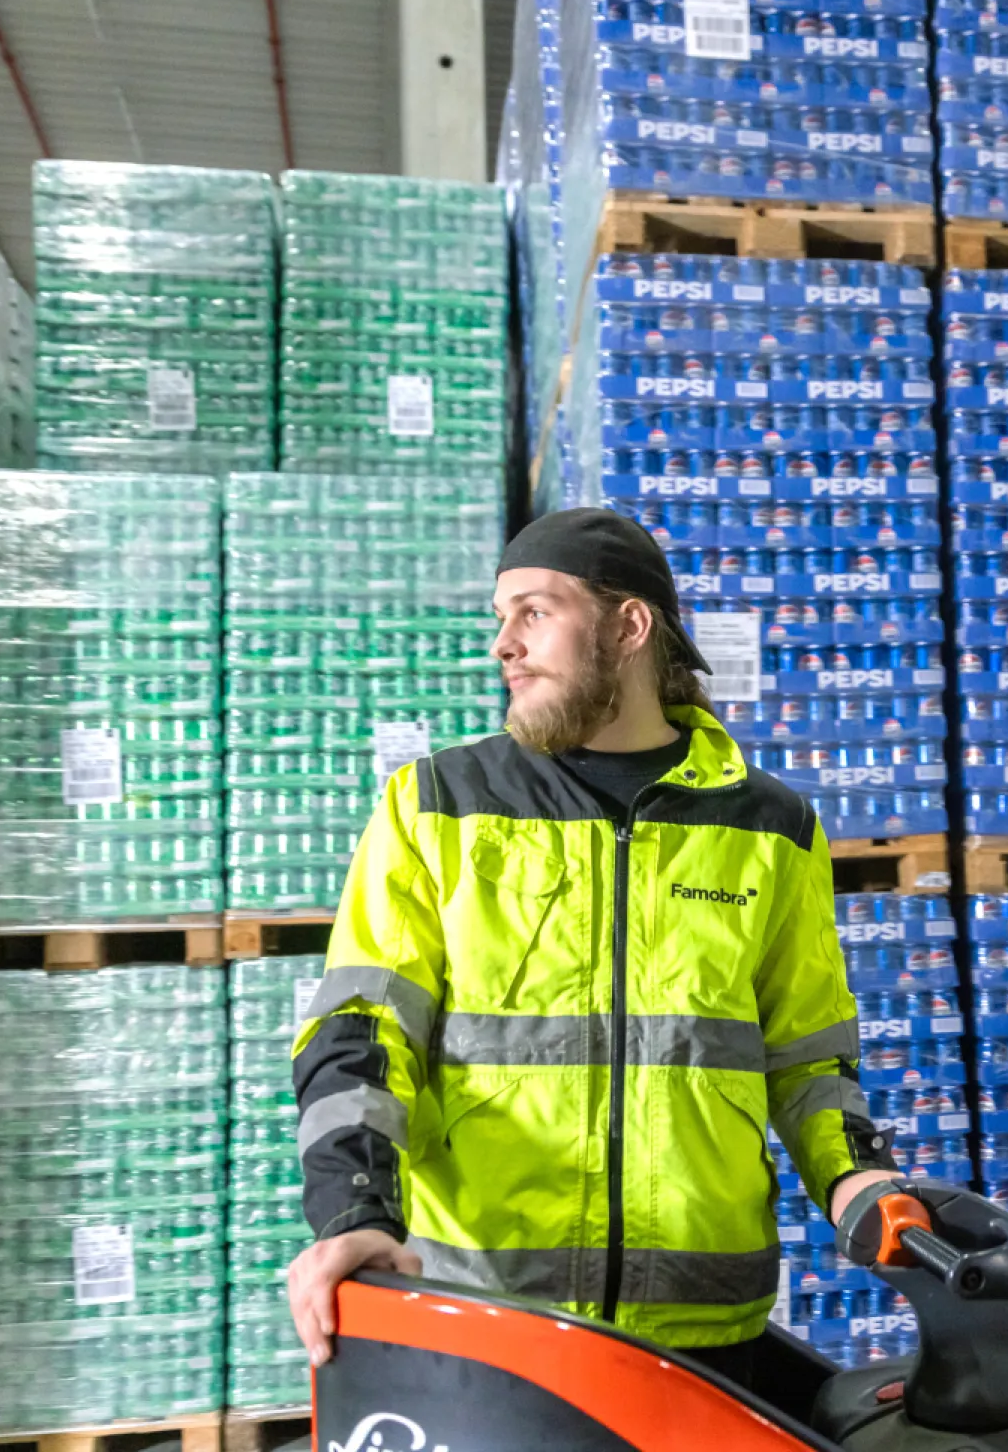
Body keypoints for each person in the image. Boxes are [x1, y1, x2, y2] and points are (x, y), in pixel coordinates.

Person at [283, 507, 901, 1385]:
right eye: (501, 619)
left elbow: (809, 1057)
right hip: (488, 1319)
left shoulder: (772, 828)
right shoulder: (438, 806)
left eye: (534, 611)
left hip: (706, 1326)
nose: (504, 644)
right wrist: (352, 1214)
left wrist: (858, 1182)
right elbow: (360, 1034)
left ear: (629, 625)